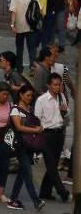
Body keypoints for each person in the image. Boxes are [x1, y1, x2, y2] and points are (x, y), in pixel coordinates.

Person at [6, 84, 44, 210]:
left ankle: (13, 199)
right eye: (27, 95)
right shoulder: (15, 109)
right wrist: (35, 130)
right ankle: (36, 200)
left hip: (29, 146)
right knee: (28, 173)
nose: (30, 98)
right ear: (21, 95)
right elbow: (18, 127)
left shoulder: (31, 109)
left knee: (23, 173)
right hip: (20, 146)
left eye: (31, 95)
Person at [34, 73, 68, 203]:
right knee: (51, 165)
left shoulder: (62, 97)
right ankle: (62, 191)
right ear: (49, 85)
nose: (57, 87)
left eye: (59, 85)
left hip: (59, 133)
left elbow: (65, 115)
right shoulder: (42, 100)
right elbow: (36, 119)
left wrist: (64, 111)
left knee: (53, 164)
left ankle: (45, 192)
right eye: (55, 85)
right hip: (46, 135)